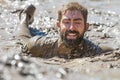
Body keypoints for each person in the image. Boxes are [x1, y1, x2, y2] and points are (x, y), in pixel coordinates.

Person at [18, 2, 103, 59]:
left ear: (86, 27)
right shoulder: (38, 46)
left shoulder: (95, 51)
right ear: (58, 25)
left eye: (77, 22)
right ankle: (25, 16)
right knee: (25, 37)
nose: (71, 28)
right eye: (66, 22)